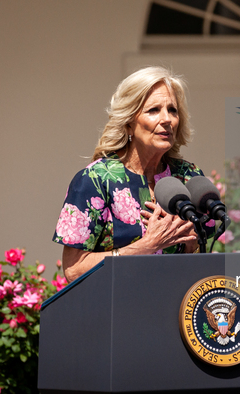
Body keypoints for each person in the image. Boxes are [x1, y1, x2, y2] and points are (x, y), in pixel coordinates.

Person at [52, 66, 213, 282]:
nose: (167, 119)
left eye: (172, 110)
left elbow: (199, 260)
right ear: (129, 122)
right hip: (115, 309)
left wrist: (191, 246)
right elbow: (74, 269)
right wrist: (147, 246)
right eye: (154, 110)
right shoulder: (95, 181)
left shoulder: (188, 177)